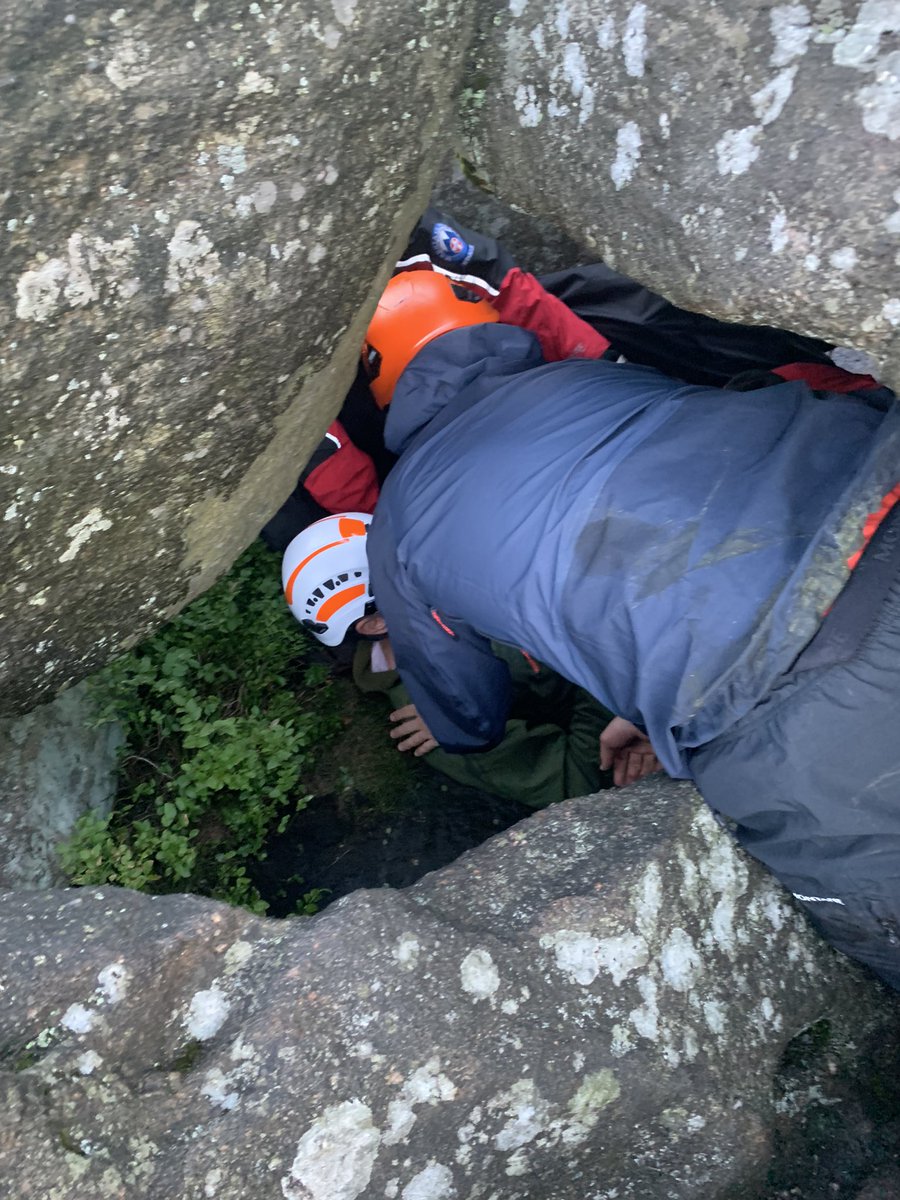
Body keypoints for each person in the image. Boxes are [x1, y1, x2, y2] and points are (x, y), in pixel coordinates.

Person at [283, 257, 900, 990]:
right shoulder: (596, 377)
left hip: (776, 698)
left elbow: (470, 720)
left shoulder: (406, 533)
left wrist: (611, 706)